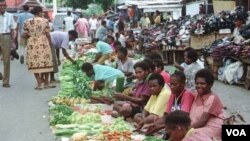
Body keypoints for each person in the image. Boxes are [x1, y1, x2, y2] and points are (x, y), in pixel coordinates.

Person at [23, 6, 55, 90]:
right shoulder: (45, 21)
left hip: (32, 44)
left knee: (34, 63)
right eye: (42, 12)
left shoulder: (27, 22)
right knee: (46, 62)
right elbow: (47, 34)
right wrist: (50, 43)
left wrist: (31, 35)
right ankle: (47, 83)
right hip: (44, 42)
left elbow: (25, 34)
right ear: (40, 12)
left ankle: (39, 84)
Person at [189, 69, 224, 140]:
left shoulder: (212, 98)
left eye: (202, 83)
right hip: (199, 127)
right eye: (197, 83)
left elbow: (202, 121)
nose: (199, 86)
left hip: (211, 129)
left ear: (210, 85)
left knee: (190, 135)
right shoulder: (197, 95)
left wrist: (186, 129)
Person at [0, 0, 16, 87]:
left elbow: (13, 30)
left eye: (3, 5)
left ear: (6, 6)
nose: (2, 7)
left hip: (6, 37)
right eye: (0, 5)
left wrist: (13, 42)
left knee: (6, 61)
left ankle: (6, 82)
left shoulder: (10, 16)